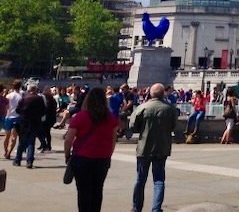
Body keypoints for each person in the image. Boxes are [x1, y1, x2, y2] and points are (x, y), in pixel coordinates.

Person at [64, 87, 120, 212]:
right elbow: (113, 140)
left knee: (83, 191)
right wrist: (108, 155)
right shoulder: (111, 118)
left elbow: (68, 139)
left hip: (82, 157)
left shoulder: (80, 117)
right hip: (102, 158)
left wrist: (67, 154)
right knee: (97, 190)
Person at [129, 82, 176, 212]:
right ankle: (156, 209)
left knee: (140, 179)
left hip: (144, 147)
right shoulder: (170, 108)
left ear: (150, 94)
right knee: (159, 180)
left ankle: (136, 208)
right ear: (163, 94)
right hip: (162, 147)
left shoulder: (142, 107)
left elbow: (132, 126)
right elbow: (173, 125)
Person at [14, 82, 46, 168]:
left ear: (28, 90)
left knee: (21, 142)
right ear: (35, 90)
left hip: (23, 122)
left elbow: (17, 110)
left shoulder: (23, 99)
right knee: (31, 142)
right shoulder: (39, 99)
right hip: (35, 122)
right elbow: (43, 111)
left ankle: (17, 160)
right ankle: (29, 161)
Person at [4, 80, 23, 159]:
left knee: (7, 136)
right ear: (20, 86)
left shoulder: (8, 96)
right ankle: (9, 152)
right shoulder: (21, 97)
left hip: (8, 117)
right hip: (17, 117)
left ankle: (6, 151)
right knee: (14, 136)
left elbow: (6, 107)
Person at [39, 85, 58, 152]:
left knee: (46, 132)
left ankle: (47, 145)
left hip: (48, 118)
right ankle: (44, 144)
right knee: (45, 132)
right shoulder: (49, 99)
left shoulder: (50, 99)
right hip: (48, 117)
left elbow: (48, 108)